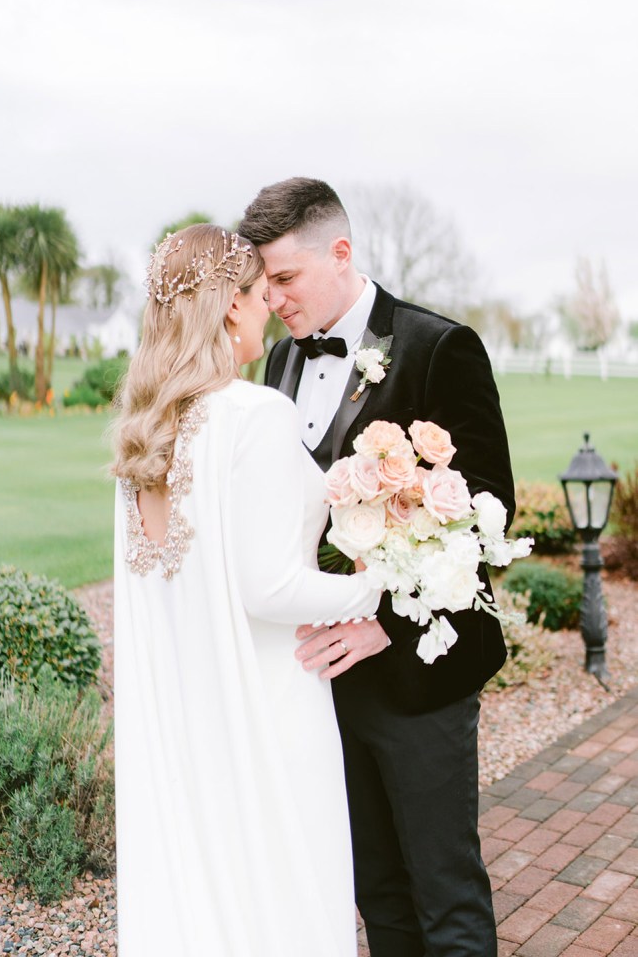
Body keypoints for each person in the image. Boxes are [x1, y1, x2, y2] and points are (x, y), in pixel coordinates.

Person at [238, 179, 516, 957]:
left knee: (444, 892)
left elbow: (489, 508)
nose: (275, 299)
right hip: (320, 681)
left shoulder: (438, 346)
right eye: (264, 285)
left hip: (419, 674)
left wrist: (383, 618)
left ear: (341, 252)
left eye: (285, 279)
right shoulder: (275, 369)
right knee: (377, 895)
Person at [111, 223, 381, 957]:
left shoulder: (147, 432)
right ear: (231, 306)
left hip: (188, 717)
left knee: (208, 896)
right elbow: (271, 590)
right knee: (285, 893)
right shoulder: (252, 413)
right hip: (270, 706)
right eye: (263, 294)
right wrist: (380, 589)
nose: (271, 310)